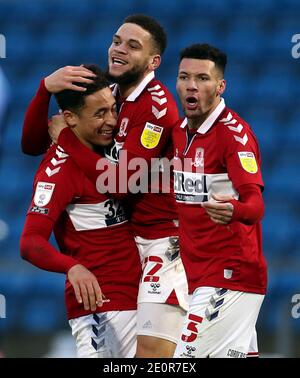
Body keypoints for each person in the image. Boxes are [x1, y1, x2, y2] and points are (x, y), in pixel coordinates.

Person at [21, 15, 188, 358]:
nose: (111, 120)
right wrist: (44, 88)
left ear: (154, 61)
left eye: (133, 45)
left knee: (155, 358)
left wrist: (68, 138)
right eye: (116, 41)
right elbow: (31, 144)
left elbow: (121, 183)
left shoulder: (155, 107)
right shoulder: (110, 93)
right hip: (120, 269)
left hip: (160, 242)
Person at [20, 65, 141, 358]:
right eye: (99, 114)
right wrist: (71, 267)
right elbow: (30, 243)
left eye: (113, 109)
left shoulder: (116, 147)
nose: (112, 121)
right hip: (102, 305)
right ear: (70, 118)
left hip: (148, 295)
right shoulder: (58, 170)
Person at [172, 44, 267, 358]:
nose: (192, 85)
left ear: (220, 86)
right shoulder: (177, 133)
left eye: (202, 78)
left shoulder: (233, 135)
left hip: (231, 273)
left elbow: (256, 205)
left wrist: (233, 210)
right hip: (197, 275)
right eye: (184, 77)